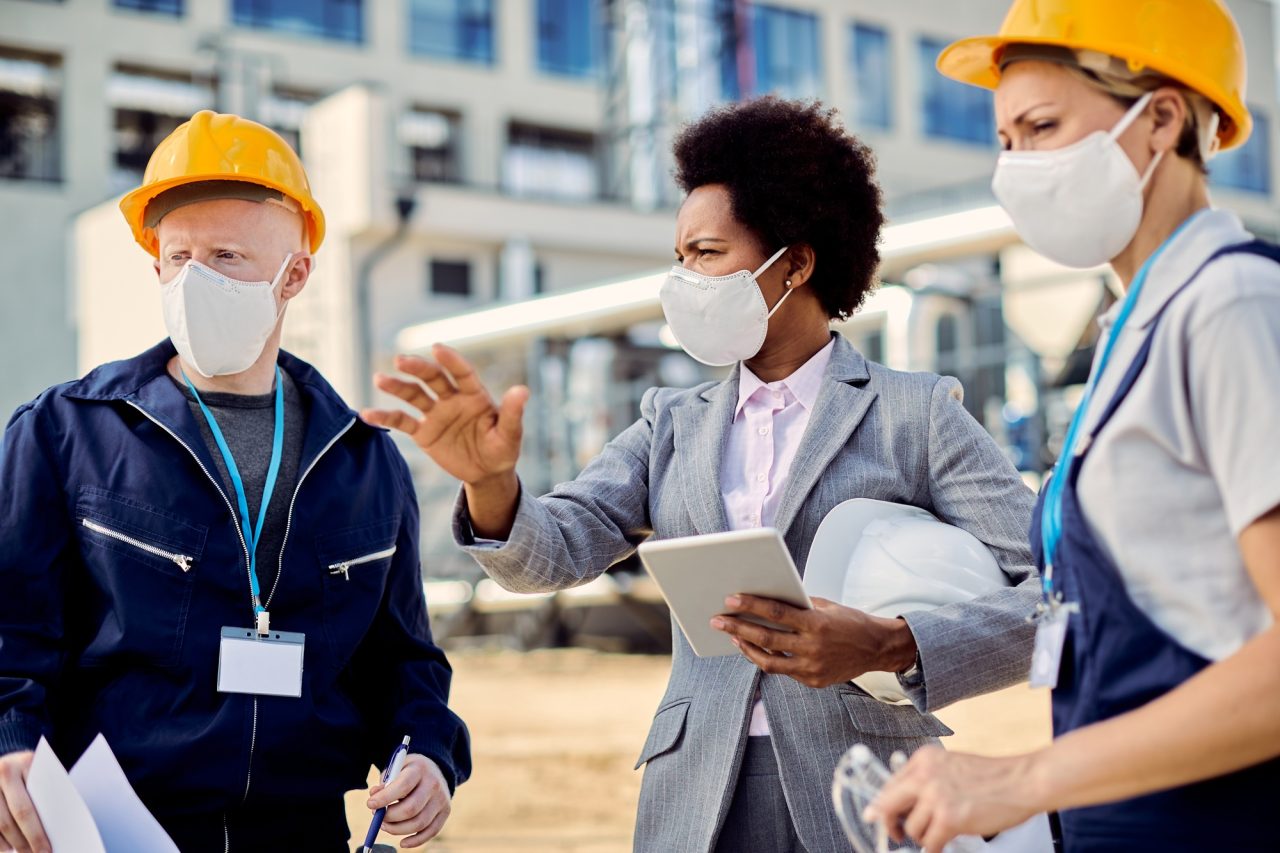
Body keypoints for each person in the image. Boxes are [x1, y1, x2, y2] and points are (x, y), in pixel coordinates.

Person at [364, 97, 1039, 853]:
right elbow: (548, 553)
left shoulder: (914, 414)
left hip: (868, 786)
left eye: (708, 254)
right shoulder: (671, 421)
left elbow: (1048, 602)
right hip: (697, 794)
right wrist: (490, 483)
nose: (684, 279)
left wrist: (892, 643)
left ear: (797, 263)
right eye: (680, 257)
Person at [868, 2, 1280, 850]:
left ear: (1162, 117)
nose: (1014, 167)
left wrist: (1020, 779)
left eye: (1043, 126)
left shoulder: (1231, 307)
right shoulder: (1136, 323)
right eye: (1006, 140)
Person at [0, 111, 470, 853]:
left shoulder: (363, 458)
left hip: (303, 832)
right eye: (176, 254)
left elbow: (404, 658)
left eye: (225, 255)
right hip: (111, 829)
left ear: (296, 274)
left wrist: (428, 754)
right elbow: (13, 628)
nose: (194, 280)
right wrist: (9, 737)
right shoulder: (64, 432)